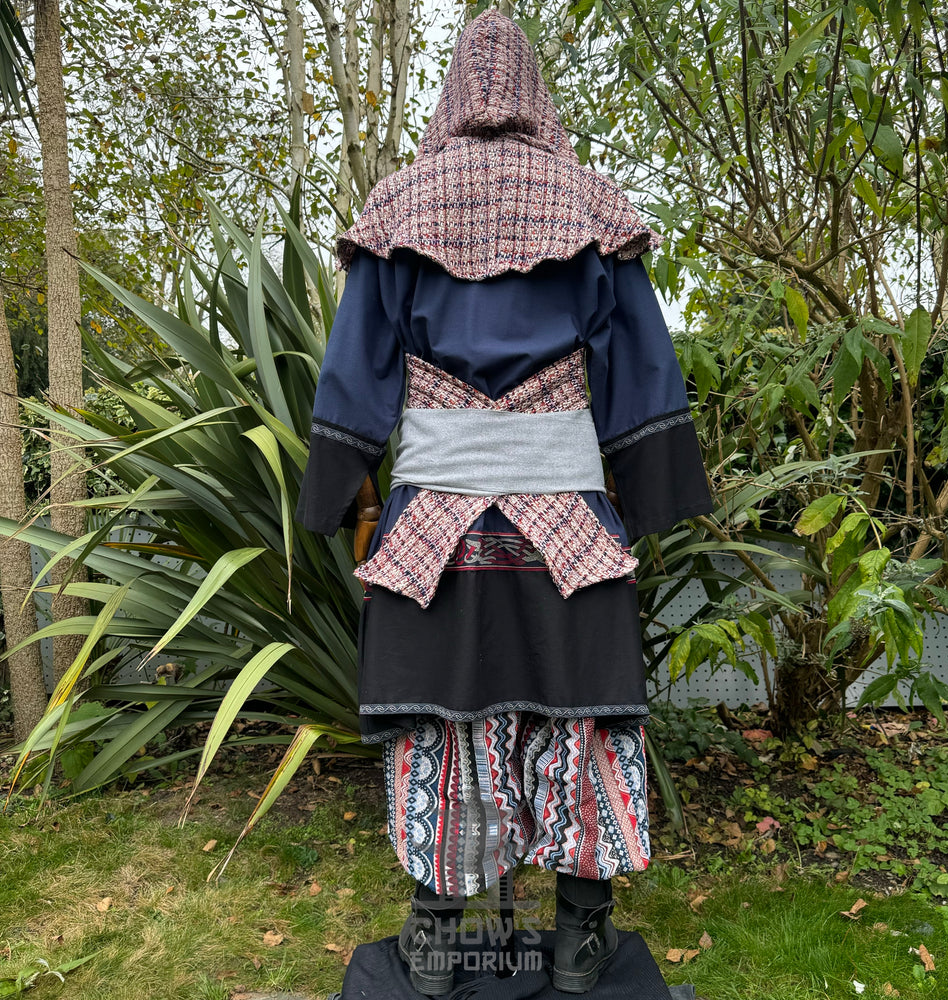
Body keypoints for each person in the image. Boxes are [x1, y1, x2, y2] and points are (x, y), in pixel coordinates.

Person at [295, 10, 713, 995]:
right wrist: (645, 494)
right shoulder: (594, 208)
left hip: (432, 537)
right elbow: (641, 373)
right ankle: (579, 940)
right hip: (568, 532)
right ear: (537, 90)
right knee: (580, 722)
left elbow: (355, 376)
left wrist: (335, 495)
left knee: (442, 727)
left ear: (449, 93)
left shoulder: (397, 210)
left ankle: (437, 940)